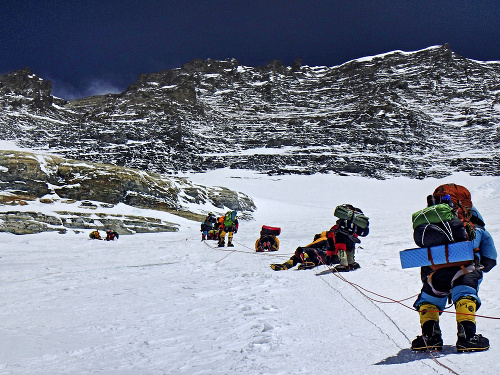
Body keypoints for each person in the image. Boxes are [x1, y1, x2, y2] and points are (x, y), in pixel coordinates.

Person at [411, 204, 497, 352]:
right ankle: (467, 337)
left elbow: (425, 257)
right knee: (465, 295)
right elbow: (490, 259)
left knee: (430, 299)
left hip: (435, 273)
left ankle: (430, 337)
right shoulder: (477, 230)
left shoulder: (430, 230)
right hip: (467, 270)